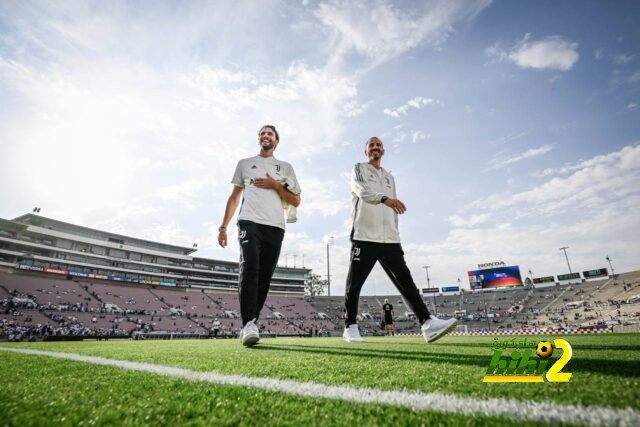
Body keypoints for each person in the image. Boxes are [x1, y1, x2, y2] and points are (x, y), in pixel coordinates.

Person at [343, 136, 456, 343]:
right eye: (371, 145)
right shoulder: (358, 168)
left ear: (383, 151)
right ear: (365, 151)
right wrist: (384, 199)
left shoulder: (389, 177)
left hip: (390, 239)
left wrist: (395, 231)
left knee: (406, 280)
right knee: (355, 283)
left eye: (378, 145)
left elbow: (393, 209)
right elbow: (362, 191)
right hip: (364, 236)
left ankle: (427, 323)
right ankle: (350, 326)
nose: (375, 148)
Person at [218, 125, 301, 347]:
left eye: (270, 134)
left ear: (276, 140)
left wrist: (275, 185)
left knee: (264, 276)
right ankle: (248, 324)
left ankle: (252, 321)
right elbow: (234, 198)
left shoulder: (285, 167)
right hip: (249, 222)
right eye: (262, 133)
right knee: (250, 266)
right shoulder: (244, 164)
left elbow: (295, 201)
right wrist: (223, 227)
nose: (266, 136)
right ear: (258, 139)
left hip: (275, 226)